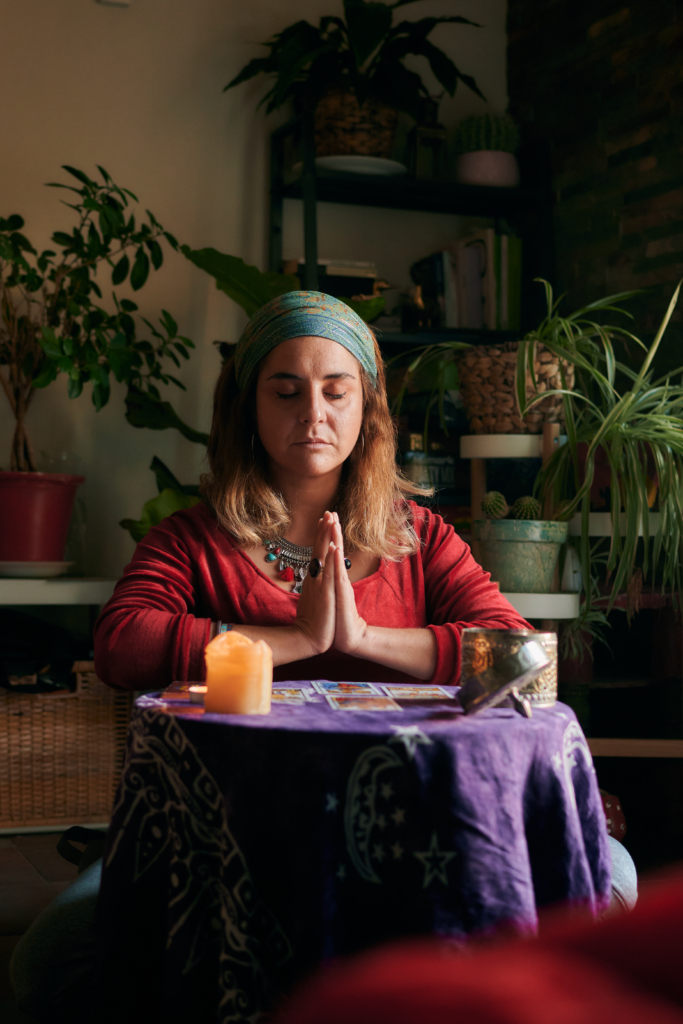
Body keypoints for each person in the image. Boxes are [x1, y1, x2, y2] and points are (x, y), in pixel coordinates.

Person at [93, 290, 529, 692]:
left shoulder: (422, 539)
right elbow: (121, 646)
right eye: (287, 393)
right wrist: (298, 639)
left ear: (367, 407)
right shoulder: (192, 541)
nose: (313, 413)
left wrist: (362, 638)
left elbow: (520, 657)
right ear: (249, 406)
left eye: (336, 393)